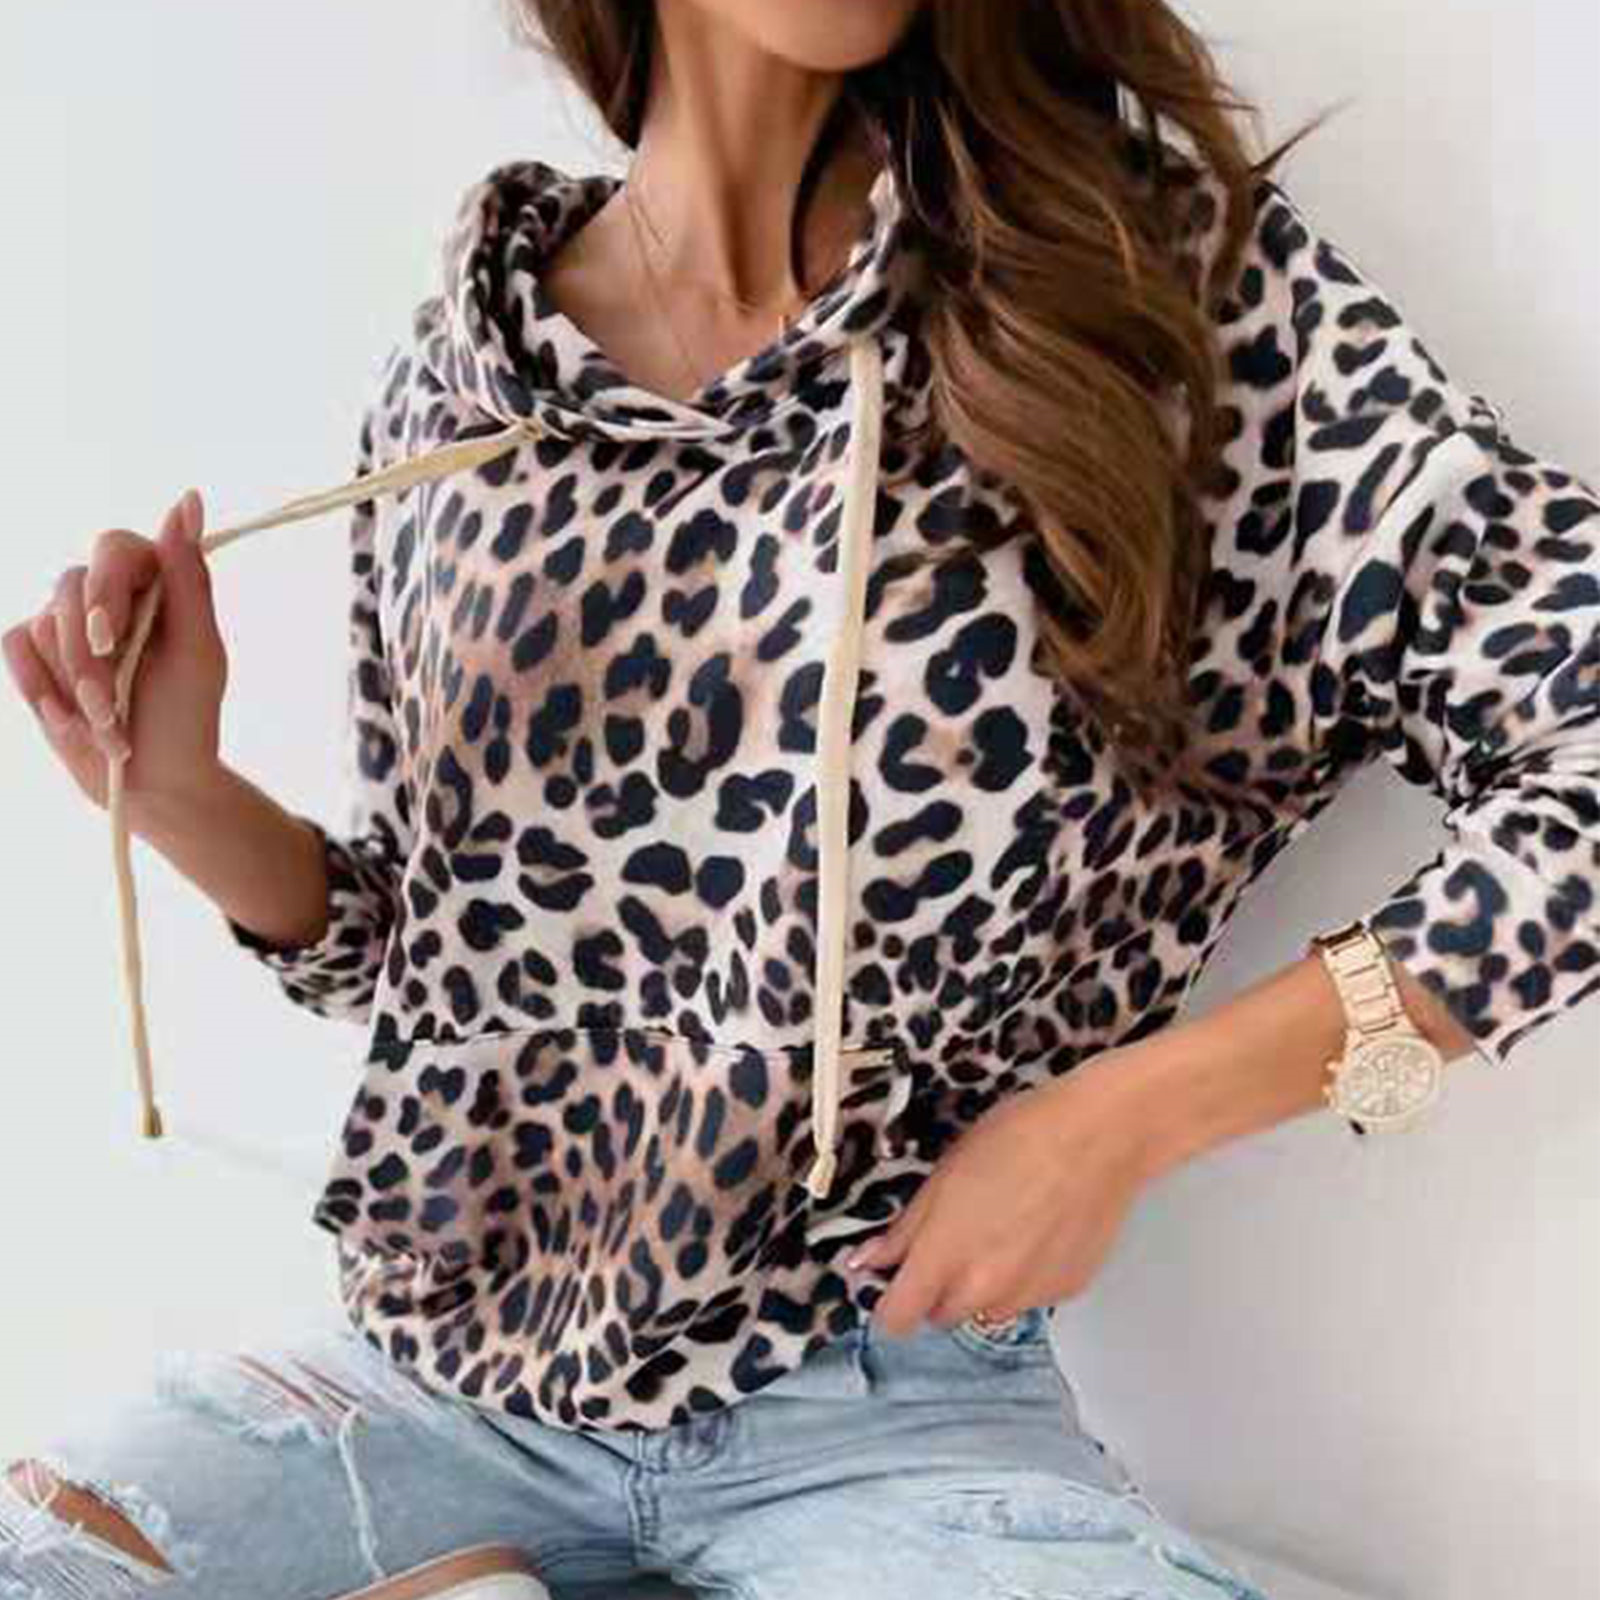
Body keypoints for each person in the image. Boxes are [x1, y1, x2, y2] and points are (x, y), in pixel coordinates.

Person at [4, 1, 1597, 1596]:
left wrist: (1127, 1120)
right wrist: (184, 795)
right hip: (433, 1385)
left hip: (892, 1414)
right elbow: (438, 968)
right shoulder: (461, 386)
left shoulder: (1147, 297)